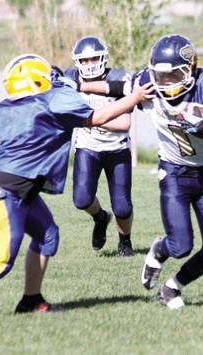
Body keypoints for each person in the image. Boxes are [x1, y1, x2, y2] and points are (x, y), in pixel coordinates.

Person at [0, 53, 153, 322]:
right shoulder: (52, 99)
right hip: (4, 191)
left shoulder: (7, 106)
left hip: (15, 188)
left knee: (47, 235)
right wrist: (133, 98)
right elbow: (97, 117)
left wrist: (68, 85)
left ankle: (31, 299)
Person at [110, 34, 203, 309]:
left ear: (190, 68)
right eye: (160, 76)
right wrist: (79, 83)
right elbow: (115, 87)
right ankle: (158, 251)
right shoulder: (149, 84)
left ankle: (172, 288)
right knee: (180, 245)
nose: (166, 82)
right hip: (174, 173)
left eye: (174, 75)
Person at [61, 36, 135, 256]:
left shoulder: (119, 78)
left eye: (94, 58)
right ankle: (100, 217)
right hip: (88, 147)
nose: (90, 64)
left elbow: (124, 124)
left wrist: (91, 118)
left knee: (122, 207)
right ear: (76, 63)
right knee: (81, 199)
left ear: (104, 58)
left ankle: (125, 242)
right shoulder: (70, 78)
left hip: (117, 148)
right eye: (84, 60)